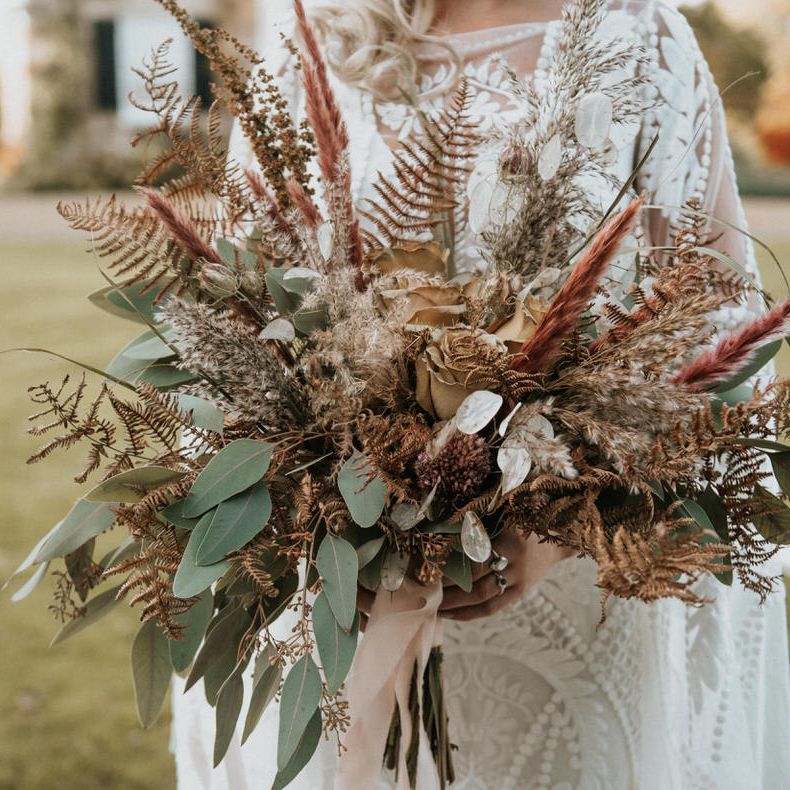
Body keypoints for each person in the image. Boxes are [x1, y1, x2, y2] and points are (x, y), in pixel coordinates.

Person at [170, 1, 790, 787]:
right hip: (342, 594)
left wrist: (567, 523)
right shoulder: (315, 28)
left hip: (574, 599)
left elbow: (719, 329)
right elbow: (246, 299)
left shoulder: (644, 34)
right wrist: (316, 494)